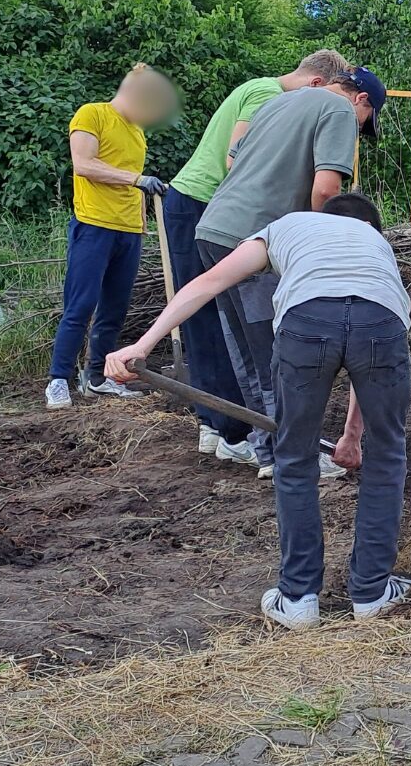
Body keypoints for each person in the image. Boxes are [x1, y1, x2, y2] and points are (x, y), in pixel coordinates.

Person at [106, 192, 411, 628]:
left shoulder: (287, 225)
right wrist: (353, 437)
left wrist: (143, 344)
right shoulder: (375, 247)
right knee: (388, 456)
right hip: (381, 323)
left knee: (294, 456)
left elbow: (208, 282)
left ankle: (298, 599)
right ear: (371, 227)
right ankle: (371, 593)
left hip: (306, 323)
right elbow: (363, 322)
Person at [195, 57, 387, 480]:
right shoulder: (337, 108)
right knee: (277, 353)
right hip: (255, 235)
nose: (357, 129)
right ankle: (292, 456)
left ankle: (268, 451)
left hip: (215, 228)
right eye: (364, 121)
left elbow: (234, 159)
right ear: (361, 99)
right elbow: (327, 187)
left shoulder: (279, 102)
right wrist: (325, 243)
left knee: (247, 352)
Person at [162, 50, 345, 465]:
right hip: (218, 209)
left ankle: (231, 432)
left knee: (225, 333)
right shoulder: (269, 94)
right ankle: (255, 439)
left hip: (210, 212)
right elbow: (236, 161)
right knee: (255, 339)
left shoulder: (260, 91)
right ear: (317, 84)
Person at [45, 63, 179, 410]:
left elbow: (129, 178)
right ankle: (58, 380)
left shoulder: (136, 132)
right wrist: (137, 180)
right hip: (93, 225)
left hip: (129, 231)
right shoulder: (93, 114)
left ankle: (96, 379)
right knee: (81, 304)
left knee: (115, 308)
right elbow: (84, 164)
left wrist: (144, 213)